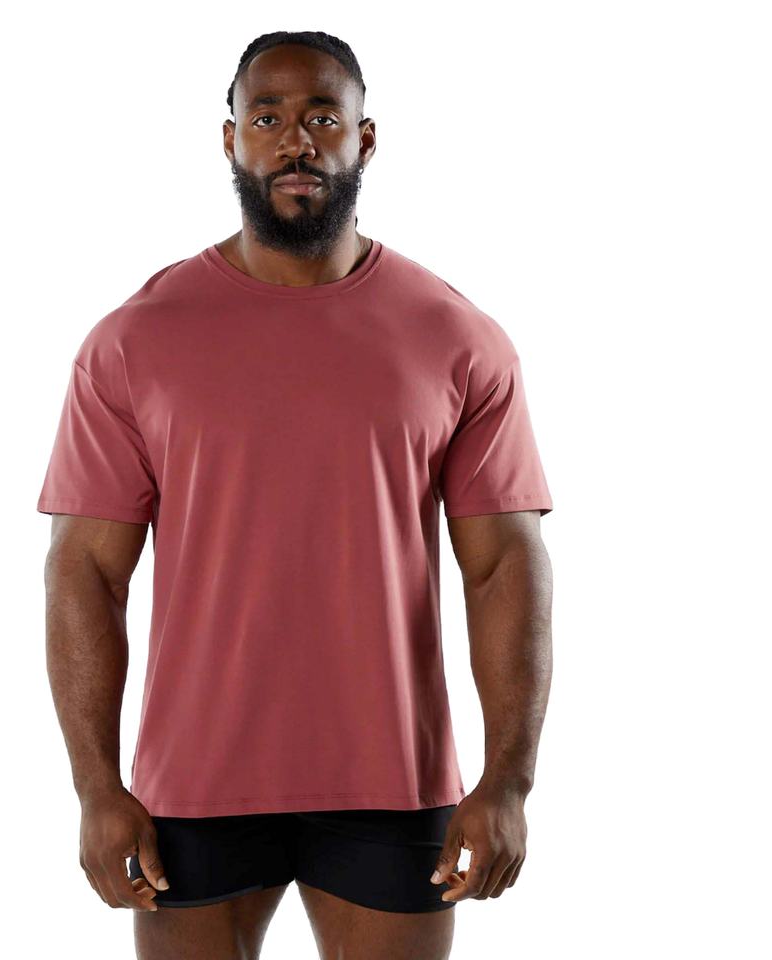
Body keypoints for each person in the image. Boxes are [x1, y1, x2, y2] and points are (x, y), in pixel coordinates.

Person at [37, 30, 554, 960]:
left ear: (365, 138)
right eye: (267, 117)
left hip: (393, 778)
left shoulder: (456, 336)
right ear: (230, 139)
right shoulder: (136, 338)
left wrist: (509, 781)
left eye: (322, 116)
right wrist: (95, 786)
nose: (295, 141)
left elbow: (504, 566)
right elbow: (85, 570)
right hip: (195, 779)